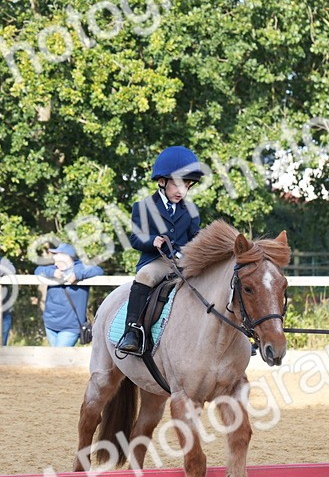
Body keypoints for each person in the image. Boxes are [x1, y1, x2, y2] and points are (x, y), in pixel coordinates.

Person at [116, 146, 203, 355]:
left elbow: (196, 238)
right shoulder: (143, 207)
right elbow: (136, 239)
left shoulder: (190, 210)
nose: (181, 191)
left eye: (187, 185)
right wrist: (151, 241)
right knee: (144, 276)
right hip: (158, 261)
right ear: (162, 181)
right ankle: (132, 331)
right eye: (178, 184)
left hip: (183, 262)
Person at [35, 243, 104, 347]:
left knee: (59, 358)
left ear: (67, 257)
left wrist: (77, 275)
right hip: (50, 324)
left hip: (71, 327)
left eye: (57, 254)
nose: (54, 257)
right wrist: (53, 274)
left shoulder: (81, 268)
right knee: (57, 358)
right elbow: (38, 270)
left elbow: (98, 270)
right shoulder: (54, 269)